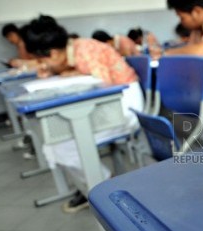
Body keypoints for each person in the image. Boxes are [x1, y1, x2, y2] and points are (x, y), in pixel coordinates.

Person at [22, 15, 144, 212]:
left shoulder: (87, 50)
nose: (42, 65)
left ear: (52, 53)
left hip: (123, 105)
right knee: (56, 143)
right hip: (104, 106)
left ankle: (103, 186)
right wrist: (62, 73)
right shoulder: (71, 50)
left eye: (42, 60)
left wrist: (71, 74)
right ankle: (95, 184)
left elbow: (103, 86)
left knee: (62, 146)